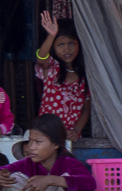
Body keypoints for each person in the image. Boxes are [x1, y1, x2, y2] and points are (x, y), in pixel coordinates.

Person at [36, 11, 90, 142]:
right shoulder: (52, 68)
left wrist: (76, 131)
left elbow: (86, 109)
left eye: (71, 43)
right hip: (46, 135)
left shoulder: (84, 76)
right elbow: (41, 58)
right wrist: (52, 35)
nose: (67, 49)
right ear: (53, 47)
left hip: (70, 138)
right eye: (60, 44)